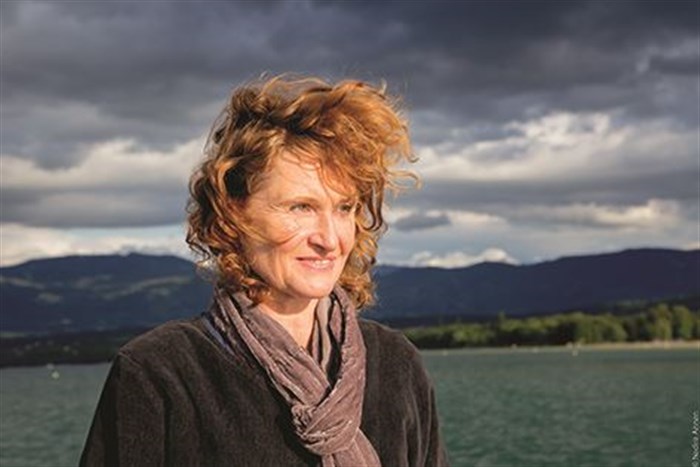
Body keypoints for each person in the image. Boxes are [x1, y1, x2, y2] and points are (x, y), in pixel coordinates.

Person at [80, 75, 449, 467]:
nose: (329, 239)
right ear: (233, 212)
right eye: (301, 207)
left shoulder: (395, 363)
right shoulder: (160, 373)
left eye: (344, 208)